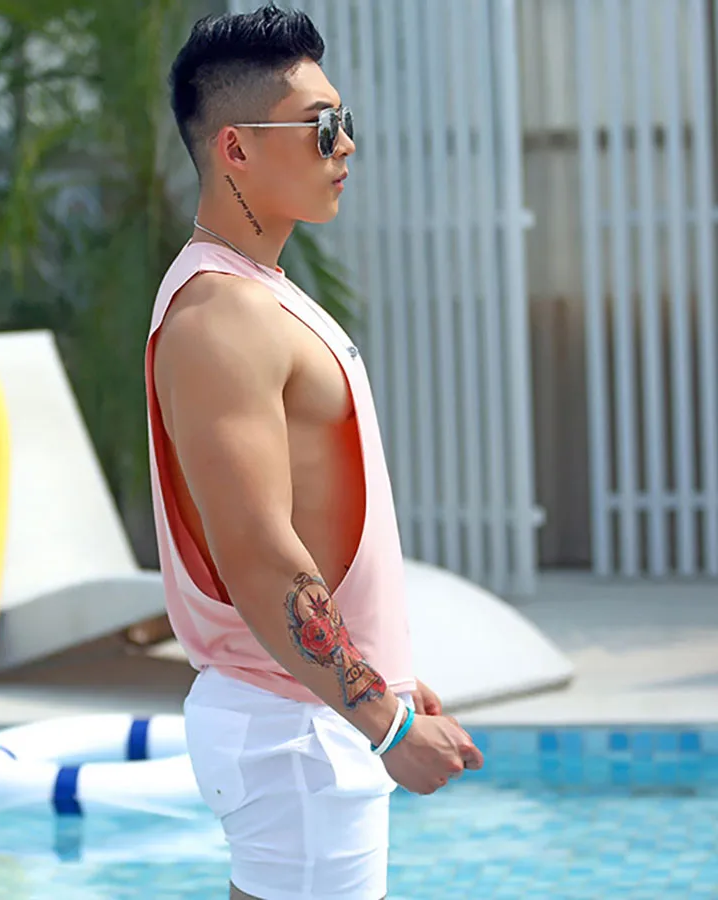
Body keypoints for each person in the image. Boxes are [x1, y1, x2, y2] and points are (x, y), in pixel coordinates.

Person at [145, 5, 484, 898]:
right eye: (321, 125)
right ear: (235, 148)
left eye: (343, 121)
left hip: (301, 716)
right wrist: (385, 723)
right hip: (291, 728)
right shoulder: (222, 316)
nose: (346, 145)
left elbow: (315, 518)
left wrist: (386, 674)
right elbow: (259, 553)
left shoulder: (256, 295)